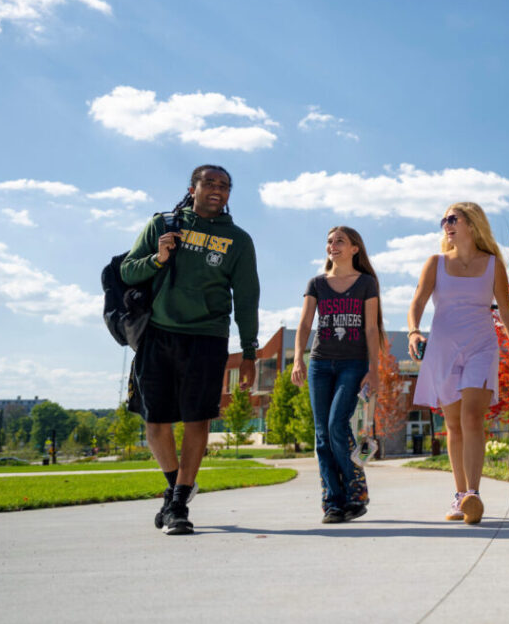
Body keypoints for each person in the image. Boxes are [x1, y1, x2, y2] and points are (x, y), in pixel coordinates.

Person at [121, 165, 259, 535]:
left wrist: (249, 351)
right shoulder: (163, 225)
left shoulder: (239, 240)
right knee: (156, 421)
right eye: (210, 183)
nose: (218, 189)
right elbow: (128, 273)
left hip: (207, 337)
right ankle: (174, 487)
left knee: (197, 419)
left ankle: (179, 502)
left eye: (225, 185)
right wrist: (158, 258)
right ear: (192, 188)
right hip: (159, 333)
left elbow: (247, 299)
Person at [408, 202, 509, 525]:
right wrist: (414, 331)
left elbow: (505, 311)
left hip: (481, 347)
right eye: (443, 219)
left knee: (473, 417)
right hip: (444, 349)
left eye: (452, 219)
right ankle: (460, 494)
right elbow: (418, 301)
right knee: (453, 425)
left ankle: (473, 493)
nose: (446, 224)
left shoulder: (492, 265)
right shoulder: (435, 263)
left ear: (471, 225)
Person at [291, 226, 385, 523]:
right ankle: (332, 502)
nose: (333, 246)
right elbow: (305, 325)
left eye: (340, 241)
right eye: (330, 241)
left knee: (335, 425)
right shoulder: (317, 283)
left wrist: (374, 370)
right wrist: (297, 360)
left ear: (355, 248)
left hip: (352, 364)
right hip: (319, 364)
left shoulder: (366, 283)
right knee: (321, 436)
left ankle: (355, 491)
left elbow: (371, 328)